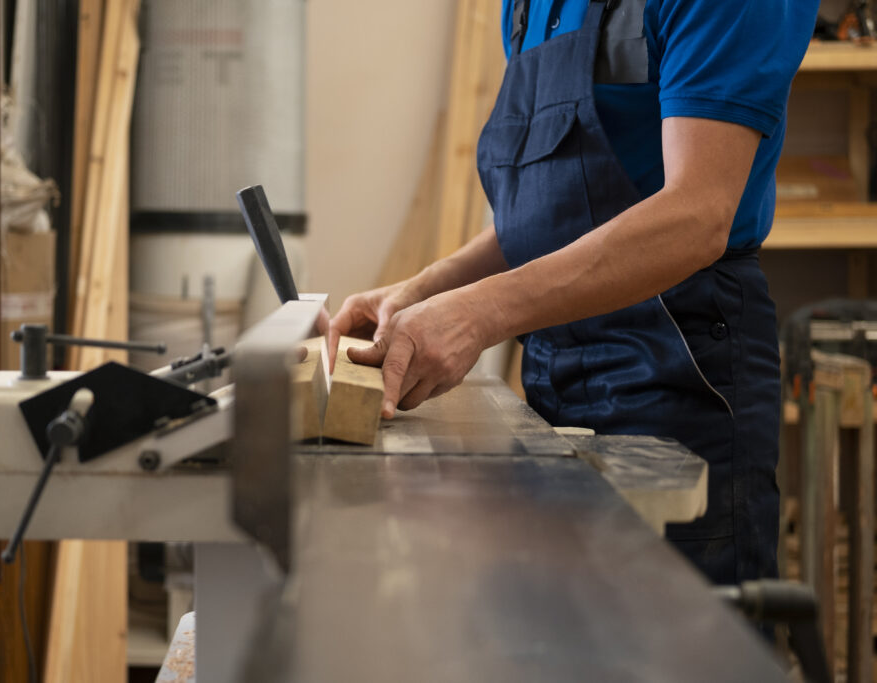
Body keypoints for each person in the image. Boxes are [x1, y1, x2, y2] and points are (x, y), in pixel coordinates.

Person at [327, 0, 819, 585]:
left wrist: (479, 314)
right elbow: (553, 212)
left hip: (680, 377)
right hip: (554, 386)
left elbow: (698, 213)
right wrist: (418, 293)